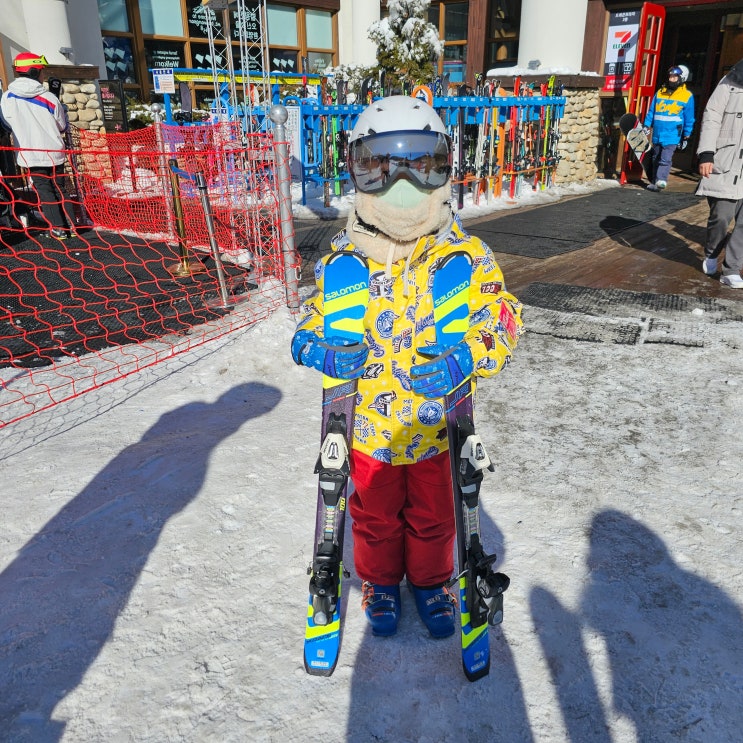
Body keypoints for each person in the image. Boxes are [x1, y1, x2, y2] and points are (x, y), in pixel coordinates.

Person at [291, 96, 523, 638]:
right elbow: (310, 320)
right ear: (358, 171)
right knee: (373, 519)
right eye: (379, 167)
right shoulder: (344, 261)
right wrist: (313, 347)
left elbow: (506, 316)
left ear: (443, 169)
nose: (402, 186)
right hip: (369, 428)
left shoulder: (463, 257)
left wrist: (471, 352)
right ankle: (378, 580)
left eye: (421, 166)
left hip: (437, 428)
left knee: (436, 518)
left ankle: (431, 580)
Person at [0, 52, 76, 240]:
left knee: (44, 188)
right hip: (53, 150)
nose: (43, 75)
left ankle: (58, 228)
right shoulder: (49, 97)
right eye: (41, 71)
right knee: (60, 187)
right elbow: (62, 125)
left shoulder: (7, 98)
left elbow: (6, 124)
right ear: (34, 72)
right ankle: (71, 226)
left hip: (29, 152)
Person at [696, 59, 743, 288]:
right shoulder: (731, 81)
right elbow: (712, 115)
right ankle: (712, 253)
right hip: (727, 161)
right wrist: (706, 153)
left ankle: (731, 269)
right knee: (721, 216)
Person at [643, 65, 695, 191]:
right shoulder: (660, 92)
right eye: (670, 76)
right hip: (658, 132)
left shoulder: (687, 96)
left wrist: (687, 134)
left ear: (682, 78)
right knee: (656, 157)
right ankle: (655, 182)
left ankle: (662, 180)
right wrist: (646, 125)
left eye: (675, 77)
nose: (671, 79)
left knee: (665, 158)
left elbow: (689, 117)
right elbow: (652, 111)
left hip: (673, 133)